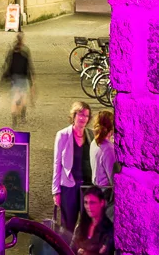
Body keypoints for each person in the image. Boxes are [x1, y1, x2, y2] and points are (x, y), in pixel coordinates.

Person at [53, 101, 93, 232]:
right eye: (80, 115)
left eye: (86, 116)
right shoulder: (63, 135)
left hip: (87, 187)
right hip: (69, 186)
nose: (83, 118)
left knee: (87, 226)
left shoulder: (91, 135)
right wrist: (56, 191)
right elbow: (57, 163)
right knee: (67, 225)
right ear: (74, 115)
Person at [1, 31, 35, 127]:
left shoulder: (11, 50)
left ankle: (14, 118)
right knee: (23, 99)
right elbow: (29, 66)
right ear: (23, 40)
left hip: (13, 78)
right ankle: (22, 115)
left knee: (15, 98)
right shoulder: (25, 50)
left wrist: (5, 76)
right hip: (23, 78)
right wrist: (32, 80)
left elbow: (6, 64)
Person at [71, 186, 114, 255]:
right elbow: (71, 249)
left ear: (102, 203)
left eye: (92, 203)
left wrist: (85, 253)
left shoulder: (109, 229)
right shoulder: (80, 226)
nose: (88, 207)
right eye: (86, 203)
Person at [89, 110, 115, 198]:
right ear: (112, 129)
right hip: (106, 193)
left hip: (96, 189)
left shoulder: (94, 142)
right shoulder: (109, 149)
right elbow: (113, 179)